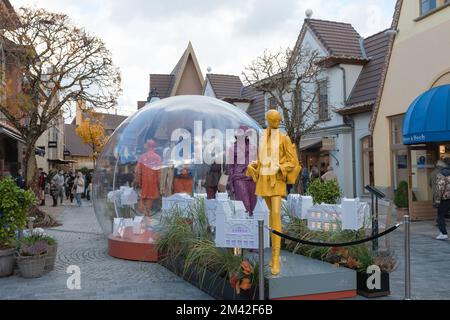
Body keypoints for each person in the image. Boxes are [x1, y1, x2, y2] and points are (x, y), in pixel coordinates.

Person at [246, 110, 301, 275]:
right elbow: (262, 159)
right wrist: (253, 165)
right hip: (264, 179)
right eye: (273, 120)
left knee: (276, 213)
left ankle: (276, 256)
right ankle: (272, 254)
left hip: (276, 180)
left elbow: (293, 161)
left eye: (278, 120)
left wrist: (280, 167)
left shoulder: (284, 138)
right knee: (270, 215)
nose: (276, 122)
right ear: (268, 120)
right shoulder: (263, 137)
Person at [435, 163, 450, 240]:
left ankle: (443, 233)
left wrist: (437, 200)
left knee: (440, 216)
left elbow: (440, 188)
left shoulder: (441, 174)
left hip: (445, 199)